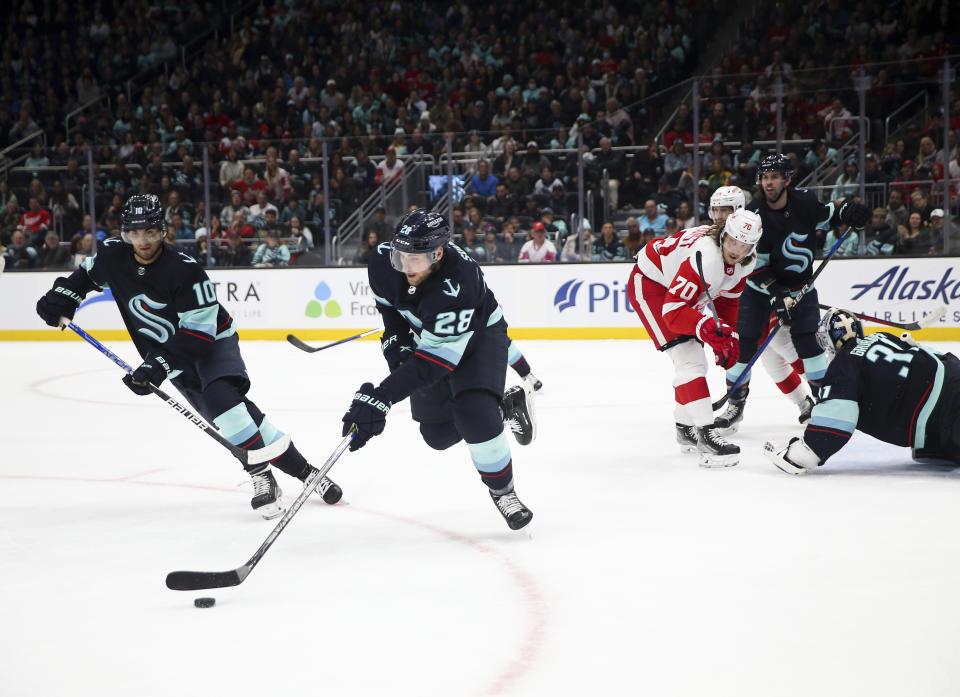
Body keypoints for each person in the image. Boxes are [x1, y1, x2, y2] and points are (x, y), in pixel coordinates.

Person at [35, 194, 342, 518]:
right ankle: (310, 473)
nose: (143, 241)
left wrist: (158, 365)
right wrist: (62, 297)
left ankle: (261, 475)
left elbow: (199, 335)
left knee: (222, 401)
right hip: (169, 354)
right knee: (237, 419)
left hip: (211, 342)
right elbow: (84, 277)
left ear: (162, 231)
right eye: (135, 234)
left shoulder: (185, 270)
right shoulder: (112, 254)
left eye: (150, 233)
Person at [341, 209, 535, 530]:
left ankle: (504, 491)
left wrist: (384, 396)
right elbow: (392, 315)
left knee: (473, 414)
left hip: (478, 339)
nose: (405, 267)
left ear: (437, 254)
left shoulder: (460, 281)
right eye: (400, 257)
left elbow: (435, 363)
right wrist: (397, 351)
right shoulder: (381, 262)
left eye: (414, 260)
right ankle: (505, 408)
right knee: (438, 435)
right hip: (431, 340)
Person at [716, 155, 870, 433]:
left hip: (802, 287)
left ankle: (824, 404)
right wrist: (777, 293)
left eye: (775, 176)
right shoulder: (754, 215)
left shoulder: (806, 203)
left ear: (788, 179)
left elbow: (831, 215)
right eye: (765, 177)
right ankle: (735, 405)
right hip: (759, 290)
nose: (769, 182)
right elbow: (753, 265)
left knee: (809, 345)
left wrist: (850, 211)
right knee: (744, 346)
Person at [627, 202, 762, 467]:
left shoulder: (746, 261)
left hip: (673, 283)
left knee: (693, 361)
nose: (736, 250)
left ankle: (684, 428)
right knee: (690, 360)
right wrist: (707, 327)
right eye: (732, 241)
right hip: (652, 284)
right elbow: (672, 312)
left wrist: (728, 335)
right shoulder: (708, 257)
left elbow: (727, 300)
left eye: (744, 246)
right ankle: (705, 434)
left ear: (753, 247)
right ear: (724, 234)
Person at [765, 308, 960, 473]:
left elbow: (833, 426)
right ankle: (936, 443)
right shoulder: (882, 336)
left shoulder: (843, 366)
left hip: (944, 412)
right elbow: (926, 353)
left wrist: (795, 455)